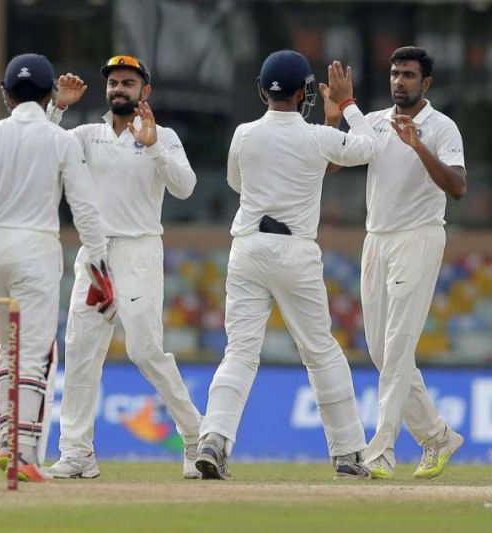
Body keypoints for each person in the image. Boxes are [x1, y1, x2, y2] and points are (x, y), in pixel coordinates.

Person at [195, 50, 379, 480]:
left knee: (239, 352)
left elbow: (237, 183)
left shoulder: (244, 134)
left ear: (263, 89)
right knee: (320, 351)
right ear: (304, 92)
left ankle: (214, 441)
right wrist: (348, 104)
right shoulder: (318, 137)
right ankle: (349, 454)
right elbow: (370, 148)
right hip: (295, 252)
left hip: (248, 247)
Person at [0, 53, 112, 482]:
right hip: (37, 247)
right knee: (34, 352)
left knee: (3, 350)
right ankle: (21, 450)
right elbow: (84, 209)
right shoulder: (60, 140)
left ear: (6, 95)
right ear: (50, 93)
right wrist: (102, 265)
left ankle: (3, 442)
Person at [45, 55, 203, 480]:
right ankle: (77, 453)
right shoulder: (85, 135)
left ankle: (196, 438)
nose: (119, 89)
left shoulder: (163, 136)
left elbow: (185, 188)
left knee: (145, 351)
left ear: (144, 91)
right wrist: (57, 107)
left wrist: (152, 147)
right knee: (80, 353)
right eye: (113, 82)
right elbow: (40, 149)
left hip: (139, 251)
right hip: (94, 254)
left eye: (128, 83)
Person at [324, 46, 466, 480]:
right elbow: (330, 166)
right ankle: (438, 437)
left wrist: (418, 145)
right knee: (382, 351)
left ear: (426, 83)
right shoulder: (374, 124)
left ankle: (380, 450)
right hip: (377, 239)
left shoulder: (441, 127)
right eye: (394, 73)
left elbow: (457, 186)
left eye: (408, 75)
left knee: (399, 346)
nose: (398, 81)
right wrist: (335, 118)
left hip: (419, 237)